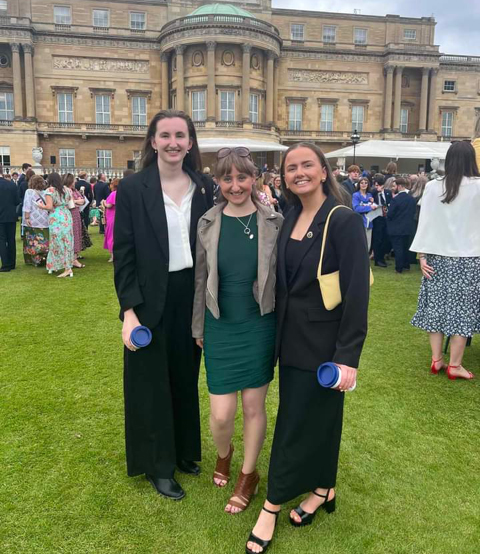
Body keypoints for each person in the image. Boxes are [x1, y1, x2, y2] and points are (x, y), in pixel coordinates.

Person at [246, 142, 370, 554]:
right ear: (283, 176)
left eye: (307, 165)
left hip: (324, 347)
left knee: (294, 425)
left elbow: (356, 293)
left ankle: (271, 506)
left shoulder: (344, 220)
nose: (299, 172)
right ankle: (324, 488)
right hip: (289, 340)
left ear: (322, 171)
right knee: (321, 418)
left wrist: (347, 357)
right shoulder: (291, 216)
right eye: (291, 167)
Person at [113, 109, 214, 500]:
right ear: (152, 141)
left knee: (185, 376)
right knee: (151, 383)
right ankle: (158, 464)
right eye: (165, 135)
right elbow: (124, 255)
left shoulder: (204, 186)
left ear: (190, 143)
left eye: (181, 135)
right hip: (149, 297)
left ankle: (186, 451)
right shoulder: (134, 188)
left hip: (191, 294)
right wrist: (130, 312)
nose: (173, 142)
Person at [192, 147, 282, 514]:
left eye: (241, 177)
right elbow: (200, 279)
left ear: (253, 179)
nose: (235, 185)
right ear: (217, 182)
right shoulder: (208, 222)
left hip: (258, 323)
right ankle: (224, 454)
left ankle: (248, 475)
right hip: (219, 324)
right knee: (221, 414)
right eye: (226, 178)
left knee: (253, 406)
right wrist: (198, 324)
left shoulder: (274, 221)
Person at [410, 141, 480, 381]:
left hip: (436, 257)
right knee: (462, 312)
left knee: (436, 310)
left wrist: (421, 255)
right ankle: (454, 365)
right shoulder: (478, 187)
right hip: (469, 259)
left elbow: (424, 222)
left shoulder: (432, 186)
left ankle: (437, 359)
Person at [37, 172, 75, 278]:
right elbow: (71, 205)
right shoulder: (67, 190)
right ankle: (56, 265)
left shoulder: (49, 190)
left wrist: (40, 206)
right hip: (67, 215)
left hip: (56, 217)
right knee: (67, 241)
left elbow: (49, 207)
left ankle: (66, 268)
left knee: (56, 242)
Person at [386, 177, 416, 274]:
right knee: (405, 247)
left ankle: (399, 268)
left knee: (398, 248)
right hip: (408, 227)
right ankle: (406, 265)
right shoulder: (411, 199)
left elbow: (390, 214)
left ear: (399, 186)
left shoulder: (396, 200)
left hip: (396, 227)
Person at [22, 175, 49, 266]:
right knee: (44, 239)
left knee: (32, 240)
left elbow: (27, 205)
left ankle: (35, 259)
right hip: (45, 219)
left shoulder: (29, 192)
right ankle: (44, 257)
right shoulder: (46, 193)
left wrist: (26, 217)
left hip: (33, 219)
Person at [64, 173, 86, 269]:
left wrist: (76, 201)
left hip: (76, 214)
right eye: (73, 181)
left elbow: (83, 200)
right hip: (70, 214)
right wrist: (77, 201)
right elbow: (69, 202)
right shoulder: (65, 190)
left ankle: (75, 257)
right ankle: (73, 259)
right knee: (72, 235)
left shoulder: (74, 190)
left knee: (77, 234)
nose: (75, 182)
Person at [371, 174, 392, 267]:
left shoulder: (388, 192)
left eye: (379, 185)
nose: (378, 187)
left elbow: (389, 203)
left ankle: (382, 256)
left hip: (386, 218)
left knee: (386, 238)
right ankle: (378, 259)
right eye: (376, 185)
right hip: (377, 218)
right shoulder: (373, 193)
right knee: (377, 239)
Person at [0, 173, 19, 272]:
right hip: (11, 215)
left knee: (2, 240)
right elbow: (17, 201)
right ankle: (12, 263)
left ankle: (6, 264)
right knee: (11, 239)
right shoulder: (11, 184)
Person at [352, 176, 377, 251]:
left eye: (366, 183)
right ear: (359, 184)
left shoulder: (369, 195)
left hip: (369, 222)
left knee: (368, 245)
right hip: (360, 222)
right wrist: (370, 207)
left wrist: (373, 203)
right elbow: (356, 208)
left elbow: (373, 207)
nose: (364, 184)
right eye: (362, 183)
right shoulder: (356, 195)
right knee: (360, 244)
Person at [103, 178, 118, 262]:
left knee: (111, 236)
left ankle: (113, 256)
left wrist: (104, 202)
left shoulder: (113, 194)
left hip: (112, 217)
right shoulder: (120, 193)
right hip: (115, 216)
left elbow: (109, 205)